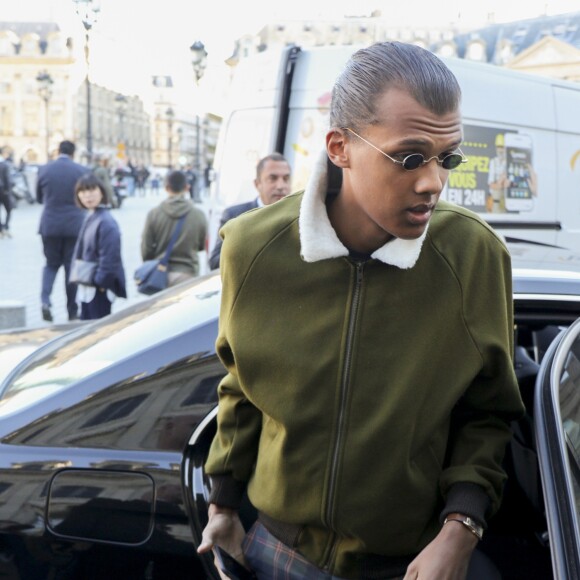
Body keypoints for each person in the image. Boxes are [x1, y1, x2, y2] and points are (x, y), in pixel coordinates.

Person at [198, 42, 524, 580]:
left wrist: (460, 530)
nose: (433, 182)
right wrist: (222, 506)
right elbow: (241, 386)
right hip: (274, 552)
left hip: (408, 562)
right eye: (411, 157)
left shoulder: (474, 257)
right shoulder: (251, 248)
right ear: (340, 147)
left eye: (448, 158)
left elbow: (487, 413)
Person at [208, 153, 291, 270]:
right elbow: (215, 262)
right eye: (273, 178)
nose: (281, 186)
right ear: (257, 184)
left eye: (286, 179)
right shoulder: (235, 216)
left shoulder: (299, 217)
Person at [36, 140, 89, 322]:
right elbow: (86, 200)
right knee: (70, 268)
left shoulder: (44, 169)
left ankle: (45, 301)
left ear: (58, 151)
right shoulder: (81, 171)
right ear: (73, 153)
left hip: (49, 225)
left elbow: (38, 198)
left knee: (50, 265)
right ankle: (72, 312)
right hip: (74, 226)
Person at [71, 173, 126, 320]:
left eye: (92, 191)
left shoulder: (106, 222)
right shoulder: (91, 216)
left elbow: (110, 257)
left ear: (101, 192)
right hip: (88, 285)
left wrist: (100, 282)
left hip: (98, 289)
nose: (87, 196)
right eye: (82, 191)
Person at [140, 170, 207, 285]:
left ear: (166, 188)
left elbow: (146, 248)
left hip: (160, 276)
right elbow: (201, 246)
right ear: (187, 187)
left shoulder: (154, 214)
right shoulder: (198, 214)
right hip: (188, 274)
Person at [0, 147, 13, 238]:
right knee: (9, 209)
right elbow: (8, 179)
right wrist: (8, 190)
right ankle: (6, 227)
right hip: (4, 191)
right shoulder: (4, 164)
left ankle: (1, 229)